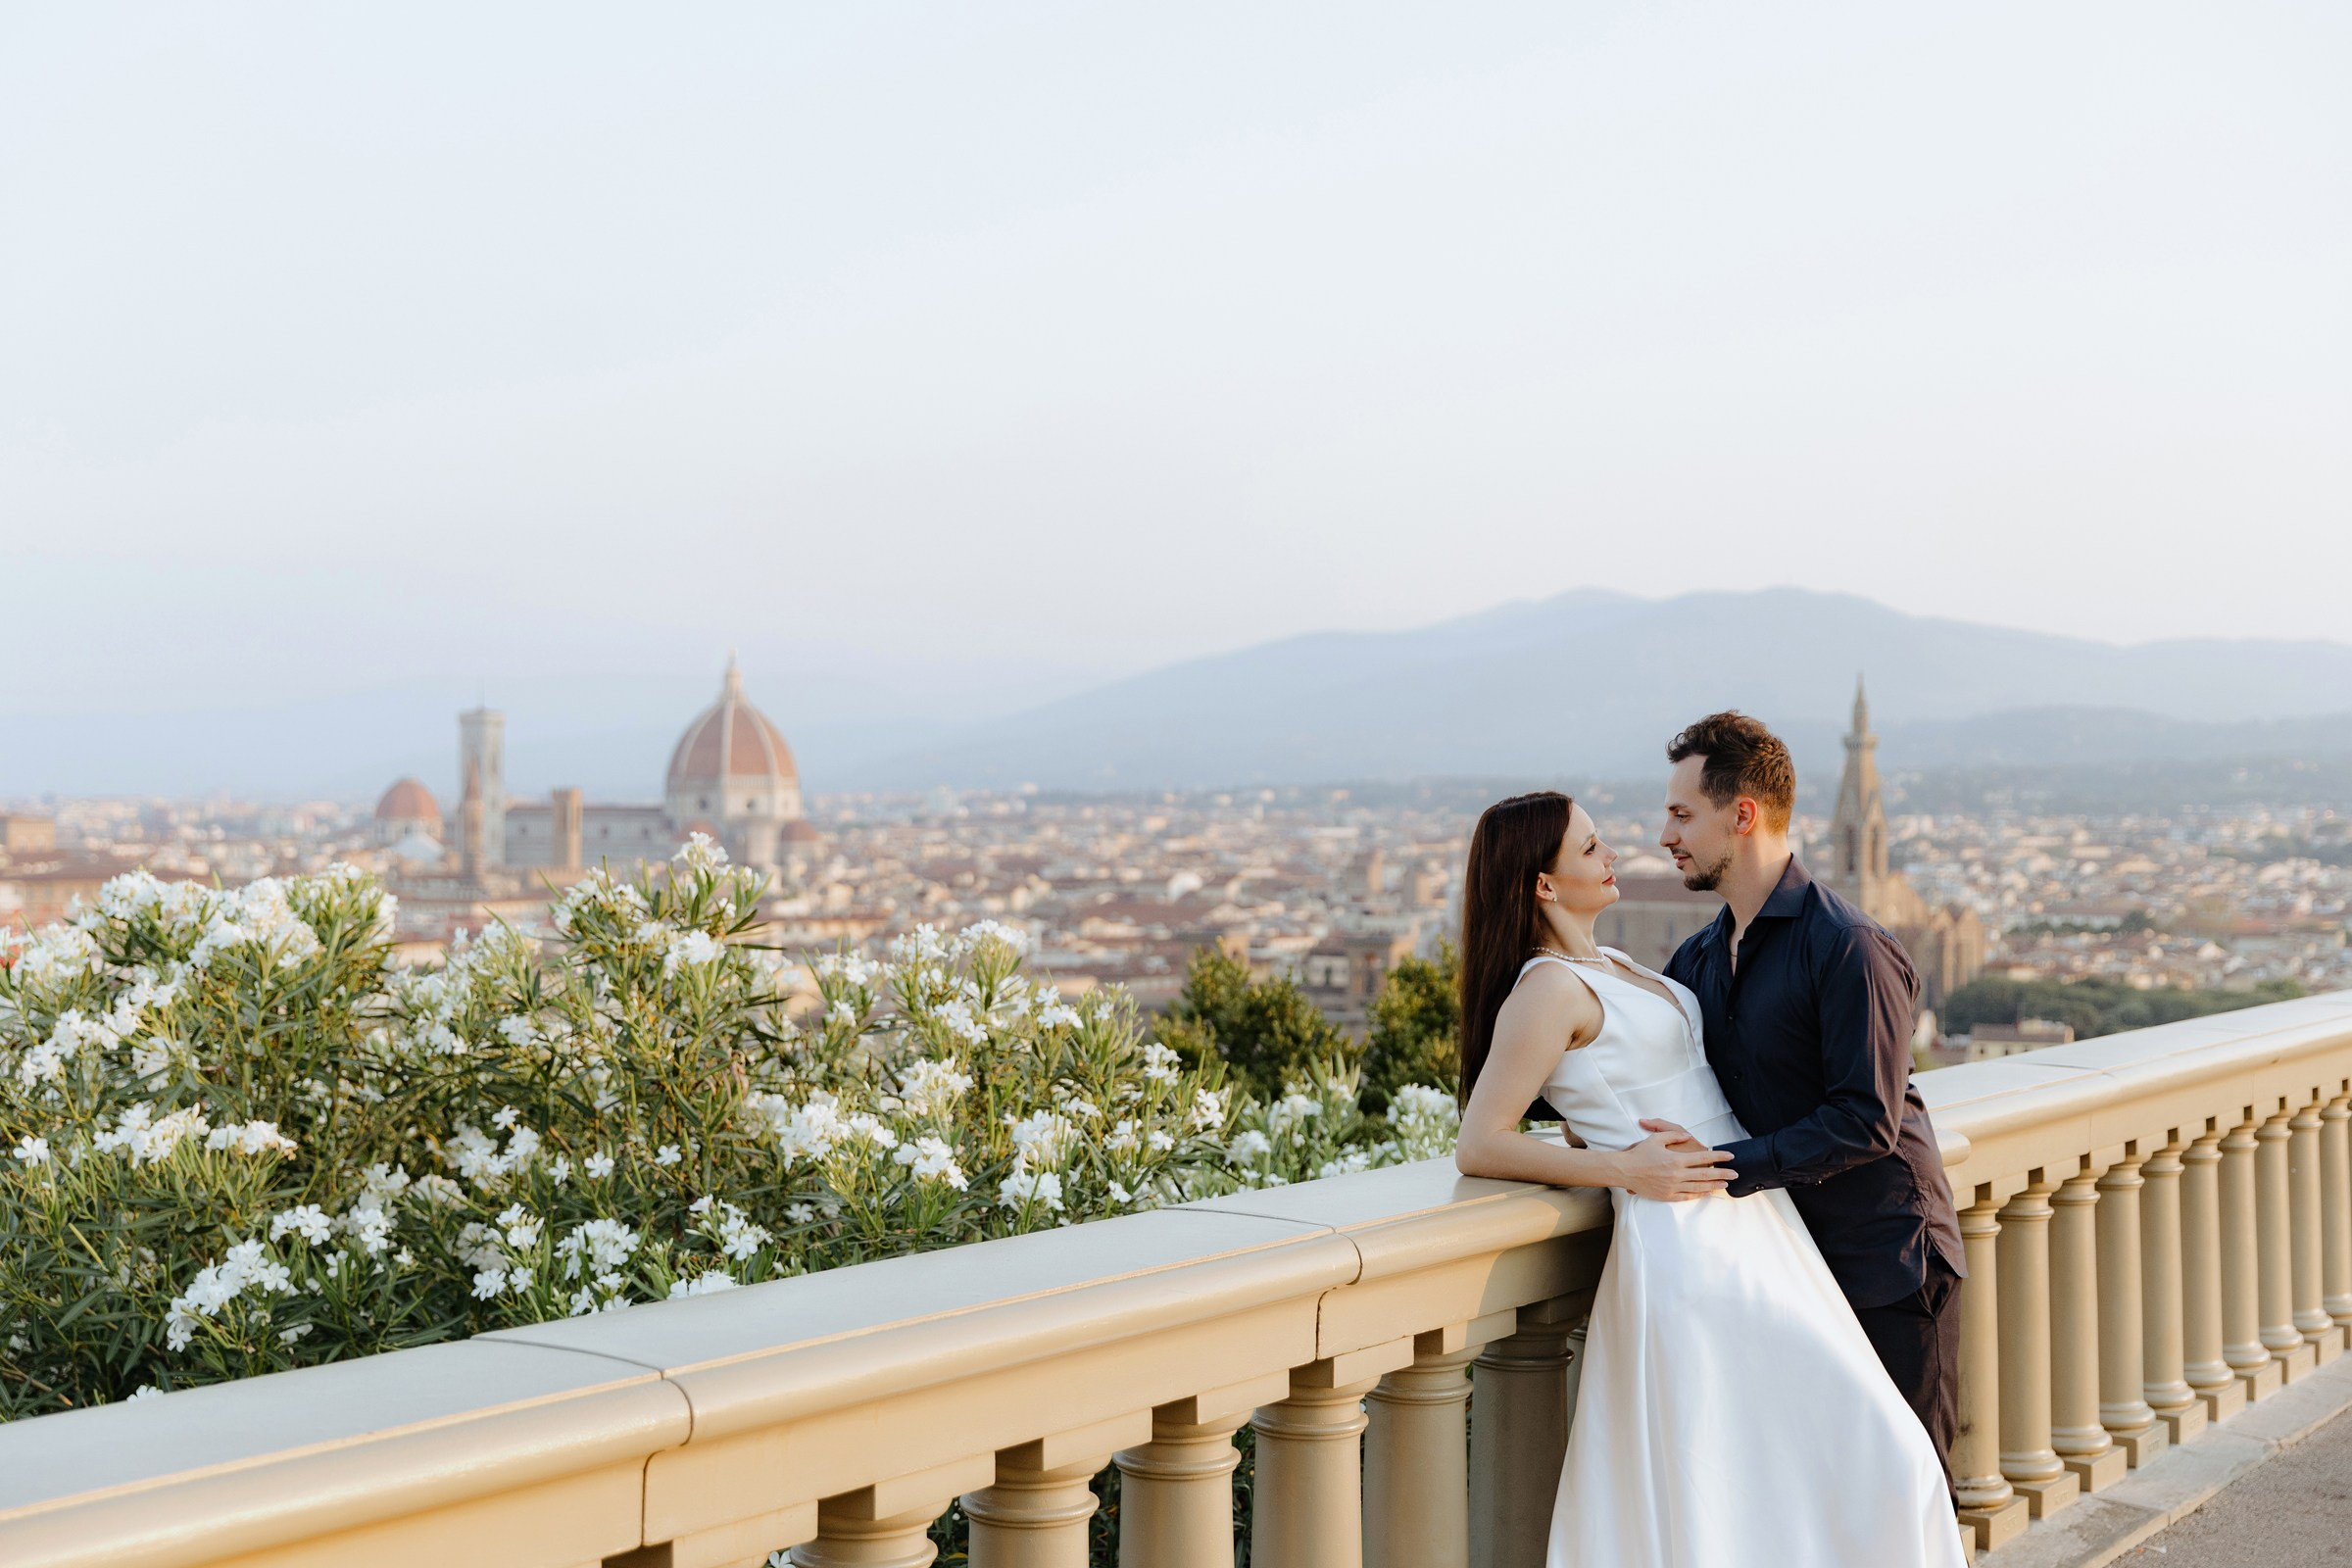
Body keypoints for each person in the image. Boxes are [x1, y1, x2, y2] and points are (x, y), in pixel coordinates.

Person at [1452, 788, 1962, 1568]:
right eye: (1589, 848)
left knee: (1822, 1459)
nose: (1616, 852)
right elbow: (1480, 1143)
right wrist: (1621, 1166)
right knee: (1764, 1466)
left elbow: (1609, 1091)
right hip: (1690, 1242)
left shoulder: (1613, 965)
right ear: (1544, 885)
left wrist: (1601, 1131)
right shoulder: (1547, 987)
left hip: (1752, 1220)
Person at [1656, 711, 1966, 1477]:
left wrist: (1721, 1166)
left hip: (1886, 1261)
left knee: (1906, 1492)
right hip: (1788, 1265)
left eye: (1682, 815)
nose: (1666, 836)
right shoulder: (1697, 960)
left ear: (1743, 816)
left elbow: (1866, 1119)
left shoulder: (1849, 946)